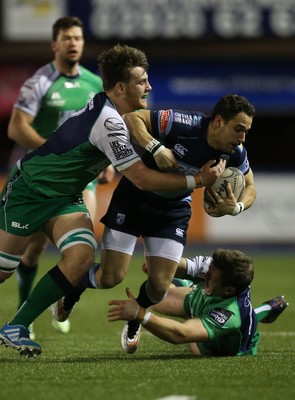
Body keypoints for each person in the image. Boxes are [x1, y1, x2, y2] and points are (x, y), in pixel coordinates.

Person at [0, 44, 223, 358]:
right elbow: (141, 178)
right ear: (121, 87)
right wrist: (199, 181)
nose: (149, 87)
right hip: (30, 192)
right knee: (3, 270)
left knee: (80, 258)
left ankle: (17, 326)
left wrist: (101, 165)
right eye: (141, 81)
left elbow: (87, 142)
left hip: (64, 198)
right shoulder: (109, 122)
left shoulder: (113, 112)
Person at [56, 94, 257, 354]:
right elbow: (132, 119)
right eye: (239, 129)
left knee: (159, 287)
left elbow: (250, 185)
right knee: (110, 277)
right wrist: (155, 147)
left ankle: (135, 315)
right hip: (134, 199)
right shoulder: (186, 123)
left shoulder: (235, 153)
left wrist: (237, 207)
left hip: (172, 211)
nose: (242, 138)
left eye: (246, 132)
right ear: (219, 121)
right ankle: (75, 287)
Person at [6, 16, 111, 337]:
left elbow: (102, 127)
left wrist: (106, 160)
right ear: (55, 44)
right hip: (39, 177)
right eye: (66, 38)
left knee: (82, 245)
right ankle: (27, 314)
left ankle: (64, 303)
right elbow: (17, 127)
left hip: (81, 180)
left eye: (78, 37)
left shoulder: (94, 84)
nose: (73, 43)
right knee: (33, 250)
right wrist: (54, 151)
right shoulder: (40, 82)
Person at [108, 249, 289, 357]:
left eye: (210, 277)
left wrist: (139, 314)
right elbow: (174, 265)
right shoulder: (215, 268)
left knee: (192, 343)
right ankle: (268, 307)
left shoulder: (229, 315)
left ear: (228, 290)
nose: (205, 276)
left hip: (218, 347)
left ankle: (266, 308)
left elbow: (181, 334)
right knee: (157, 296)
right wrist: (158, 265)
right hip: (210, 299)